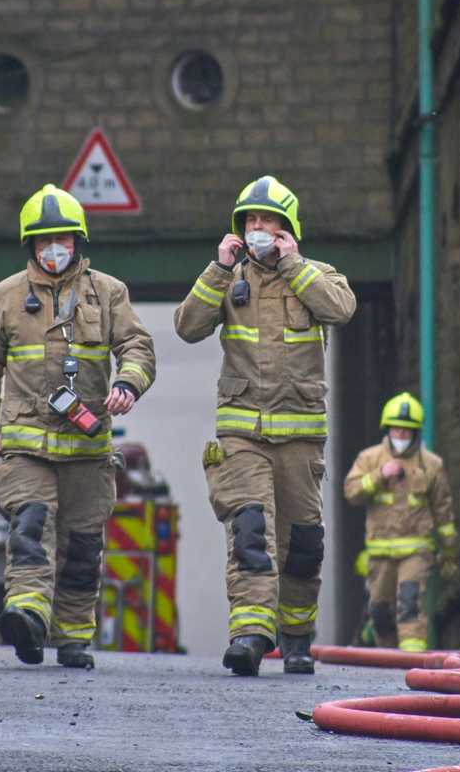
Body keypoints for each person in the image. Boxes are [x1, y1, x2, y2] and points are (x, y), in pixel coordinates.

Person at [0, 183, 156, 669]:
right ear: (31, 245)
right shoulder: (5, 298)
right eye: (45, 240)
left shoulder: (109, 294)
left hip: (87, 449)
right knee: (31, 526)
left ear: (78, 242)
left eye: (64, 240)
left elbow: (137, 348)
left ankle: (72, 636)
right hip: (25, 447)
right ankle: (27, 614)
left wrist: (129, 384)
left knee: (82, 545)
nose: (55, 249)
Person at [174, 175, 356, 676]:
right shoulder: (228, 279)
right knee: (251, 532)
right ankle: (251, 634)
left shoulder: (317, 275)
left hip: (299, 436)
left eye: (266, 222)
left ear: (287, 229)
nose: (256, 229)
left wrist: (293, 264)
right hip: (242, 433)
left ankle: (296, 636)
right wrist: (218, 268)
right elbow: (187, 327)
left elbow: (340, 309)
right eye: (249, 222)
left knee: (302, 543)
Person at [343, 392, 457, 652]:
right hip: (380, 552)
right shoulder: (369, 459)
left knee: (410, 604)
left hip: (416, 552)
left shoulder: (431, 465)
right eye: (397, 430)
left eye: (407, 431)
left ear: (415, 432)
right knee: (380, 614)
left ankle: (411, 660)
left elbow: (443, 510)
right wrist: (379, 476)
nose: (401, 436)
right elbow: (351, 492)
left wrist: (449, 551)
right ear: (388, 429)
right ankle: (388, 660)